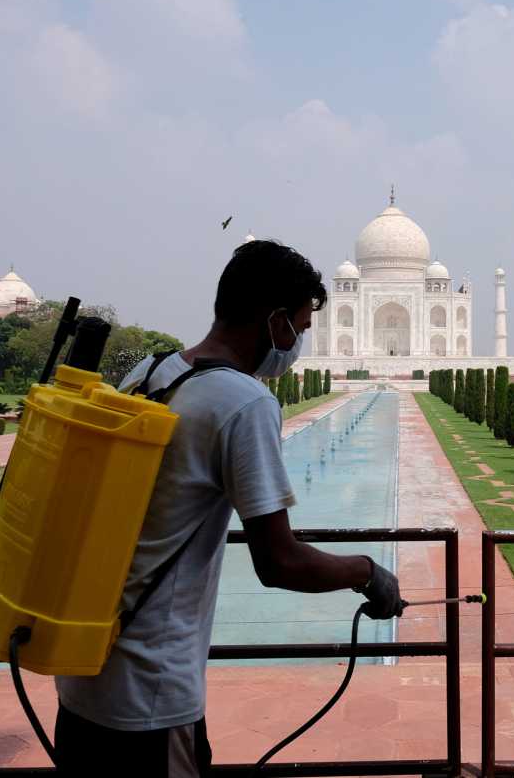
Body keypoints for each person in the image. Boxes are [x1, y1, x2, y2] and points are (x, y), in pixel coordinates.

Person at [54, 240, 404, 777]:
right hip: (150, 695)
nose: (300, 344)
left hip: (82, 676)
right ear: (276, 322)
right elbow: (278, 562)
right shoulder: (243, 402)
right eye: (301, 328)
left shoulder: (150, 374)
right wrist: (367, 572)